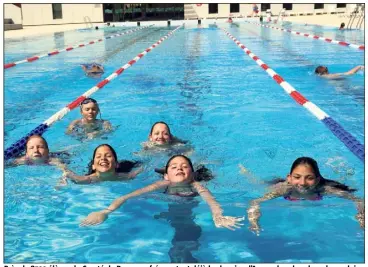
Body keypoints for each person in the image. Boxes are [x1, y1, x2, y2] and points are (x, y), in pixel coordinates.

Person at [80, 155, 244, 229]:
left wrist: (218, 215)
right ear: (166, 175)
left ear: (193, 174)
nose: (179, 168)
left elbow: (211, 201)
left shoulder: (197, 185)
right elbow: (128, 196)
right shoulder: (161, 183)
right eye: (174, 167)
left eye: (184, 166)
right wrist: (106, 211)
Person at [246, 157, 364, 235]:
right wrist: (254, 222)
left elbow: (359, 200)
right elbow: (255, 202)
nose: (302, 183)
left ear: (318, 179)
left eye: (310, 178)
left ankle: (341, 168)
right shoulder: (283, 189)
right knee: (257, 182)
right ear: (289, 177)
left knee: (346, 180)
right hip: (278, 184)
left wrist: (362, 218)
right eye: (297, 177)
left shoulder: (325, 189)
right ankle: (244, 171)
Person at [64, 144, 142, 184]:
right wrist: (64, 178)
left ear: (116, 164)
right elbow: (68, 174)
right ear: (93, 166)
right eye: (98, 156)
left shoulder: (126, 176)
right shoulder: (88, 179)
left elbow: (143, 167)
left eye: (108, 156)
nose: (103, 158)